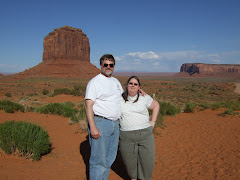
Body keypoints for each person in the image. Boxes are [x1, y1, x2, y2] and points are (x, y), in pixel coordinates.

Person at [84, 54, 123, 180]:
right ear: (101, 65)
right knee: (98, 160)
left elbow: (123, 98)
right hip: (101, 123)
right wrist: (93, 127)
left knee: (109, 158)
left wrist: (138, 91)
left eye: (111, 65)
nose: (108, 67)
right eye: (105, 64)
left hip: (114, 124)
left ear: (114, 66)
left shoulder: (116, 82)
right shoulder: (94, 82)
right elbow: (88, 106)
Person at [119, 76, 160, 180]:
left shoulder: (144, 97)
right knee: (129, 164)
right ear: (126, 85)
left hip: (145, 135)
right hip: (126, 136)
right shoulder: (119, 98)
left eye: (135, 84)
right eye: (130, 83)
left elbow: (156, 105)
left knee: (147, 162)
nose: (133, 85)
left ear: (139, 87)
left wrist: (153, 122)